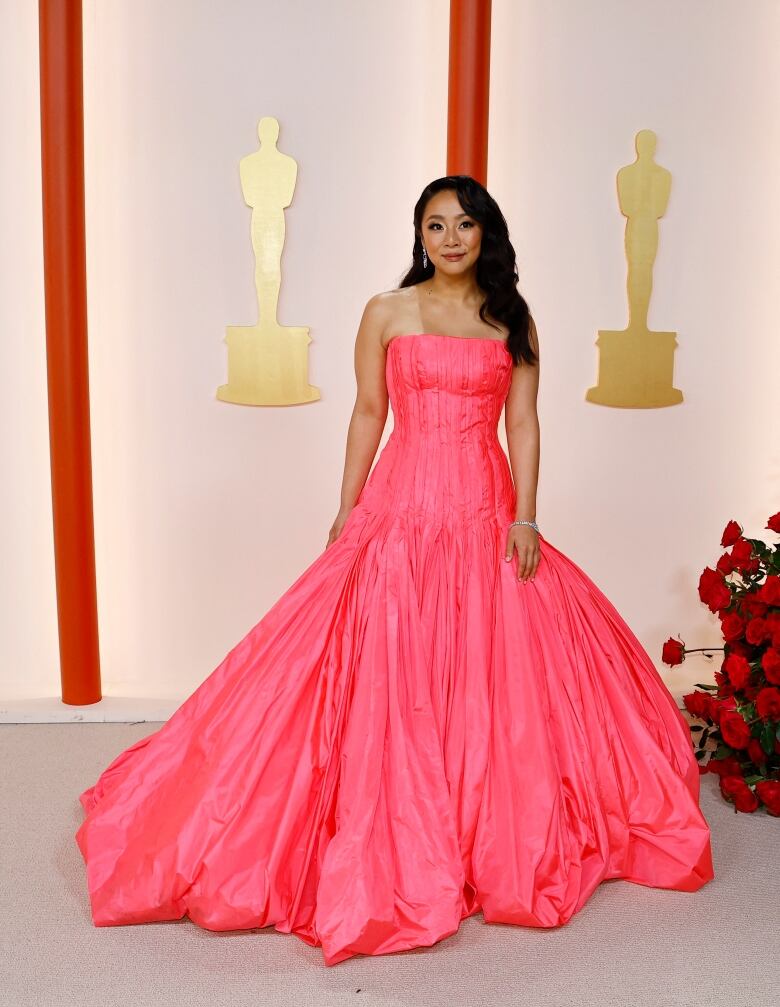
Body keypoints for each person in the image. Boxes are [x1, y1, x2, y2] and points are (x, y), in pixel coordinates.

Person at [76, 174, 714, 967]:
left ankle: (482, 827)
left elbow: (523, 420)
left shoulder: (510, 318)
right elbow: (369, 412)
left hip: (483, 513)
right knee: (370, 667)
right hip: (401, 510)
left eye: (465, 225)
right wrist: (347, 510)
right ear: (420, 235)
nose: (450, 239)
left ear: (487, 235)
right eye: (435, 225)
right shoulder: (388, 310)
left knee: (499, 674)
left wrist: (525, 516)